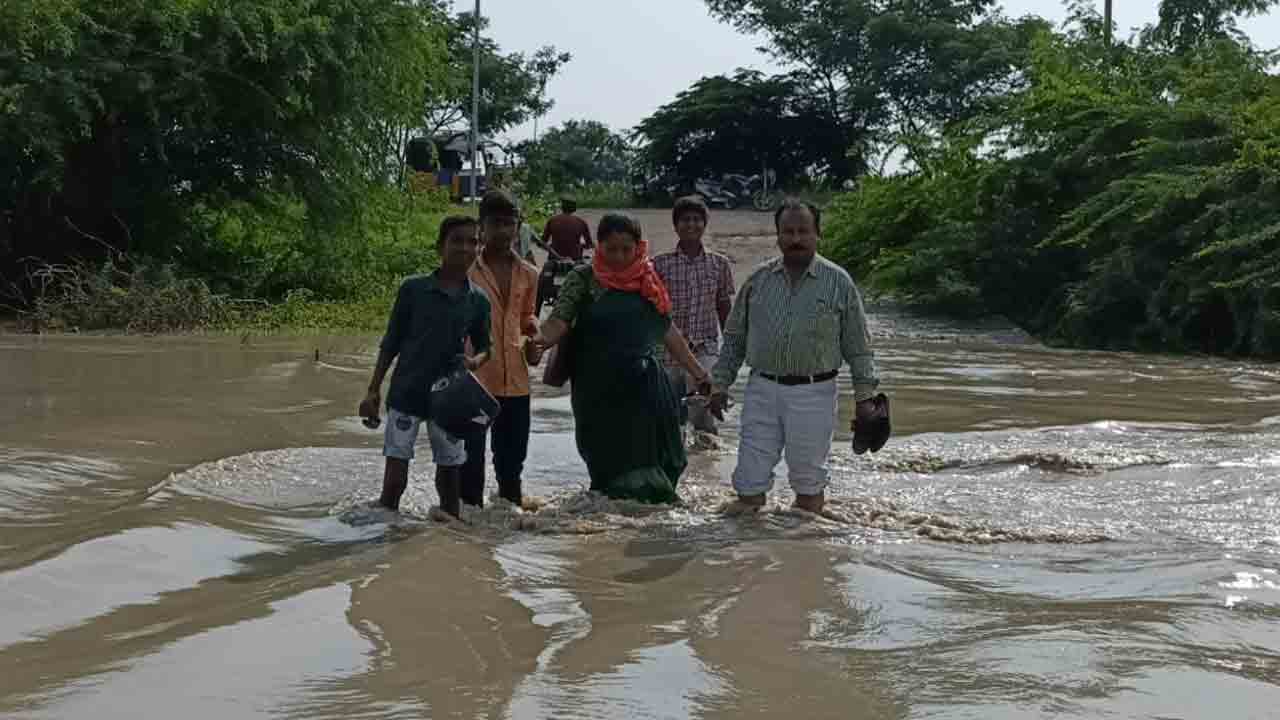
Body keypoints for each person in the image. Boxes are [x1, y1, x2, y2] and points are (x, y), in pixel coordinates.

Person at [709, 199, 881, 514]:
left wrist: (865, 399)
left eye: (803, 231)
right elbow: (734, 339)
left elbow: (859, 346)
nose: (796, 238)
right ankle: (745, 554)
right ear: (777, 236)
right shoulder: (758, 280)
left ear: (818, 235)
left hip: (814, 393)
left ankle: (806, 555)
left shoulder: (838, 281)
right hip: (761, 390)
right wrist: (719, 385)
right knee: (749, 479)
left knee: (808, 480)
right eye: (788, 231)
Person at [531, 213, 711, 503]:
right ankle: (607, 524)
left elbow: (668, 332)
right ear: (599, 246)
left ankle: (648, 526)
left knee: (659, 459)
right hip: (597, 389)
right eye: (611, 249)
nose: (619, 256)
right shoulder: (583, 279)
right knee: (607, 462)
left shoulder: (647, 280)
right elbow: (558, 322)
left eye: (626, 249)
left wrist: (700, 373)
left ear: (638, 247)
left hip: (646, 388)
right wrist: (539, 341)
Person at [358, 216, 492, 518]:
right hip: (407, 393)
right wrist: (372, 390)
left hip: (449, 398)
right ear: (440, 247)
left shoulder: (478, 301)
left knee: (449, 479)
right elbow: (391, 342)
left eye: (472, 241)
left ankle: (447, 539)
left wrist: (474, 362)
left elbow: (486, 348)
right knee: (394, 481)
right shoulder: (413, 290)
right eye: (457, 240)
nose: (465, 248)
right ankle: (384, 536)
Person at [463, 190, 541, 509]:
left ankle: (508, 531)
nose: (504, 231)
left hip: (517, 382)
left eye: (510, 224)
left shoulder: (530, 274)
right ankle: (466, 538)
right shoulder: (467, 271)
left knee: (512, 469)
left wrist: (533, 333)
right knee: (470, 467)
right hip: (475, 382)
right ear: (482, 227)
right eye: (496, 224)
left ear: (518, 225)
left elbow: (527, 316)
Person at [653, 195, 735, 434]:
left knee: (704, 414)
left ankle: (707, 464)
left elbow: (723, 305)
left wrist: (730, 345)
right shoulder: (659, 264)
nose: (691, 225)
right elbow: (653, 310)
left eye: (697, 220)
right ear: (675, 225)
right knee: (670, 416)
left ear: (705, 224)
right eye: (685, 220)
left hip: (705, 348)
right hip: (669, 351)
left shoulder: (719, 264)